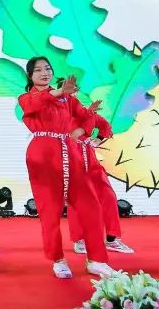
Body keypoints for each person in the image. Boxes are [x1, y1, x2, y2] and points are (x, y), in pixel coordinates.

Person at [18, 57, 113, 279]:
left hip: (70, 152)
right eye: (38, 70)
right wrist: (59, 92)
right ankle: (58, 259)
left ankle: (97, 260)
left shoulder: (66, 98)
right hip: (42, 154)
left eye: (47, 68)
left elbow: (84, 117)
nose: (44, 73)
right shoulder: (26, 97)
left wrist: (88, 122)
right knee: (50, 210)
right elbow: (35, 104)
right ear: (30, 76)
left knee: (90, 205)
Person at [69, 102, 134, 255]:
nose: (72, 96)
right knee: (78, 201)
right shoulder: (60, 113)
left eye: (74, 93)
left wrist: (98, 139)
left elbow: (105, 125)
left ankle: (112, 239)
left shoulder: (89, 114)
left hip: (91, 160)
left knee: (109, 196)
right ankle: (80, 239)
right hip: (71, 159)